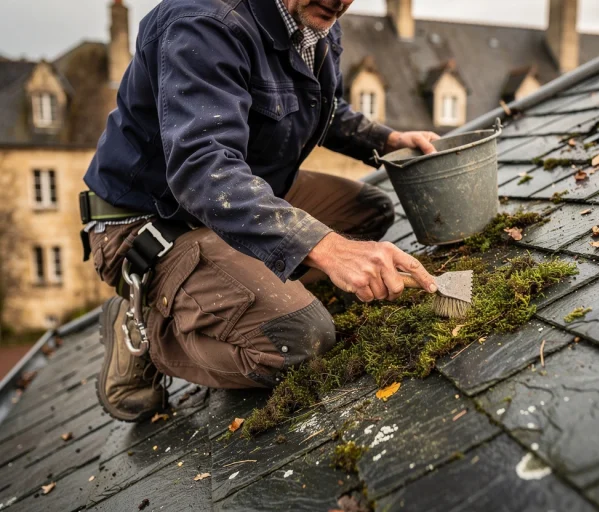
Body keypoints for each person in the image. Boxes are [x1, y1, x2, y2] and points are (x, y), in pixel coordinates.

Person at [81, 0, 440, 422]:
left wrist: (388, 138)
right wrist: (326, 248)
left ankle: (235, 279)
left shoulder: (315, 17)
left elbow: (320, 104)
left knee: (367, 213)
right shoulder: (203, 24)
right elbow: (204, 169)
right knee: (299, 339)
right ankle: (148, 324)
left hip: (239, 192)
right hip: (154, 223)